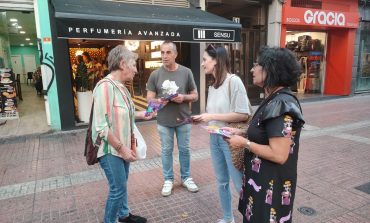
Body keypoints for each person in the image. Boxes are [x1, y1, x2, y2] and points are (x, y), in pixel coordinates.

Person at [224, 46, 305, 223]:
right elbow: (266, 133)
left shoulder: (281, 104)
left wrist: (244, 143)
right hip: (260, 181)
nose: (252, 69)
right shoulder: (274, 99)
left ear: (271, 69)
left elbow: (279, 154)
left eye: (256, 64)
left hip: (272, 185)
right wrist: (242, 132)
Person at [92, 45, 155, 223]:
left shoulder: (122, 88)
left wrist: (141, 114)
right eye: (133, 64)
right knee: (117, 189)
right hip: (111, 150)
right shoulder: (105, 87)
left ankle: (124, 215)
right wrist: (122, 149)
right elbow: (102, 127)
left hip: (123, 148)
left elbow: (121, 115)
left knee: (122, 185)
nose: (136, 69)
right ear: (122, 64)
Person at [192, 45, 252, 223]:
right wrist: (204, 119)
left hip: (230, 139)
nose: (202, 64)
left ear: (216, 60)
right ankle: (228, 217)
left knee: (238, 183)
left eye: (205, 60)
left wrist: (211, 116)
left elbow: (243, 113)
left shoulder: (234, 81)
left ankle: (250, 217)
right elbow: (215, 116)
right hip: (214, 138)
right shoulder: (212, 86)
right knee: (221, 182)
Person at [146, 41, 199, 197]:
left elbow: (195, 96)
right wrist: (159, 101)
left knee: (184, 150)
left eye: (168, 52)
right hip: (164, 120)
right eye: (162, 52)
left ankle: (186, 177)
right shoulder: (155, 74)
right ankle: (168, 180)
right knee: (166, 151)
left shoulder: (186, 72)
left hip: (183, 119)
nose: (164, 56)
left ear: (175, 54)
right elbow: (149, 99)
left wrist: (183, 97)